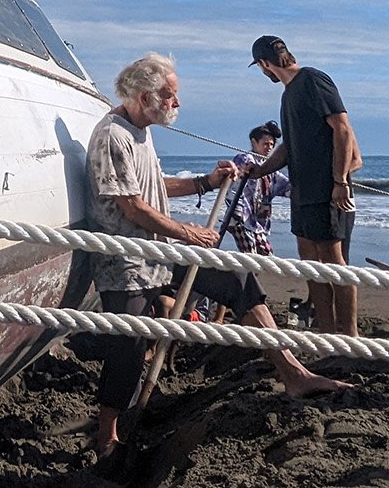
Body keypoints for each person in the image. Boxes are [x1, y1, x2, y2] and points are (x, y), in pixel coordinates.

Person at [85, 53, 347, 455]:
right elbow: (131, 206)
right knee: (129, 346)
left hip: (161, 252)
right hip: (128, 261)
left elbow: (156, 185)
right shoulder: (112, 136)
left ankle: (293, 372)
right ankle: (107, 435)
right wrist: (187, 231)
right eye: (170, 96)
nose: (177, 104)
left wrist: (206, 182)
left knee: (237, 279)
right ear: (142, 96)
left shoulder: (141, 131)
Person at [244, 35, 363, 336]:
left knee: (334, 262)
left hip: (327, 190)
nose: (264, 73)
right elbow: (288, 148)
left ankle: (349, 335)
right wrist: (259, 171)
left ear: (264, 64)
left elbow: (343, 129)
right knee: (310, 262)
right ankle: (326, 331)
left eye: (261, 68)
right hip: (303, 192)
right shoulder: (288, 94)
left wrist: (339, 182)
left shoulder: (313, 79)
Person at [226, 120, 290, 255]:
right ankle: (250, 276)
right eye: (265, 144)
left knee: (267, 254)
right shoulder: (244, 158)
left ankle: (255, 276)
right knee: (251, 255)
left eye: (271, 145)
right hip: (241, 218)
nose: (269, 148)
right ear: (254, 142)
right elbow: (236, 179)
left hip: (257, 222)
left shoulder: (268, 167)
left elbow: (285, 186)